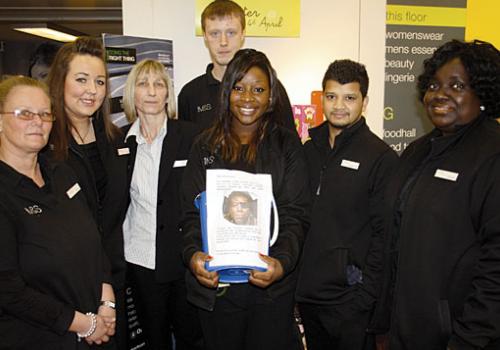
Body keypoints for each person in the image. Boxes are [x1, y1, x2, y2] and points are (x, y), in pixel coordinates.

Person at [374, 40, 500, 349]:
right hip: (402, 331)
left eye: (457, 85)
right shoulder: (418, 151)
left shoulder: (492, 155)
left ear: (481, 94)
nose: (440, 94)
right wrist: (382, 323)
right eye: (433, 85)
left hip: (458, 338)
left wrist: (469, 340)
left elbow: (496, 265)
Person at [181, 48, 310, 350]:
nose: (248, 98)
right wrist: (192, 255)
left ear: (271, 97)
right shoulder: (204, 146)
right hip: (217, 291)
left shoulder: (287, 145)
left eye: (258, 89)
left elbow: (296, 213)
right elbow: (188, 214)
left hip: (269, 292)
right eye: (238, 88)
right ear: (226, 92)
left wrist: (282, 262)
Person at [0, 75, 115, 349]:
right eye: (24, 113)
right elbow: (8, 290)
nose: (37, 121)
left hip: (93, 327)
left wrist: (107, 301)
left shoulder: (62, 173)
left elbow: (93, 241)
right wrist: (84, 324)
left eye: (44, 114)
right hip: (37, 337)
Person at [295, 59, 398, 350]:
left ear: (364, 102)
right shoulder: (307, 150)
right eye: (332, 96)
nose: (339, 105)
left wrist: (365, 297)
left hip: (350, 300)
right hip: (308, 296)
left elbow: (385, 235)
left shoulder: (381, 158)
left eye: (349, 98)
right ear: (322, 98)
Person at [47, 36, 129, 349]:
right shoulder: (44, 146)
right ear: (60, 82)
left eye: (99, 81)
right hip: (66, 285)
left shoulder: (116, 140)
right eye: (81, 80)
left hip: (115, 278)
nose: (92, 90)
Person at [122, 59, 203, 350]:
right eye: (143, 84)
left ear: (168, 94)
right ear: (132, 93)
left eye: (159, 84)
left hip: (183, 261)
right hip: (141, 260)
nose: (152, 91)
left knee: (190, 339)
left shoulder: (192, 137)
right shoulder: (121, 144)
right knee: (153, 340)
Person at [177, 0, 295, 131]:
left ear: (243, 34)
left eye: (231, 33)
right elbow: (185, 148)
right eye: (215, 33)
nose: (223, 42)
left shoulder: (270, 87)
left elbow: (290, 145)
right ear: (205, 36)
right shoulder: (190, 94)